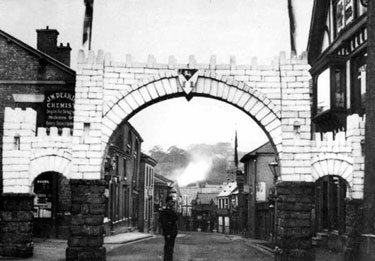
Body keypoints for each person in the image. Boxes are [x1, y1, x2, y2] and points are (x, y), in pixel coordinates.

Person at [159, 196, 178, 261]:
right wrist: (167, 233)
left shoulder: (171, 210)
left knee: (170, 249)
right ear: (167, 202)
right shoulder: (166, 212)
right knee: (168, 249)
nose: (172, 203)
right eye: (171, 202)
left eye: (172, 202)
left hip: (172, 233)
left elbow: (176, 218)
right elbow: (164, 223)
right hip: (169, 233)